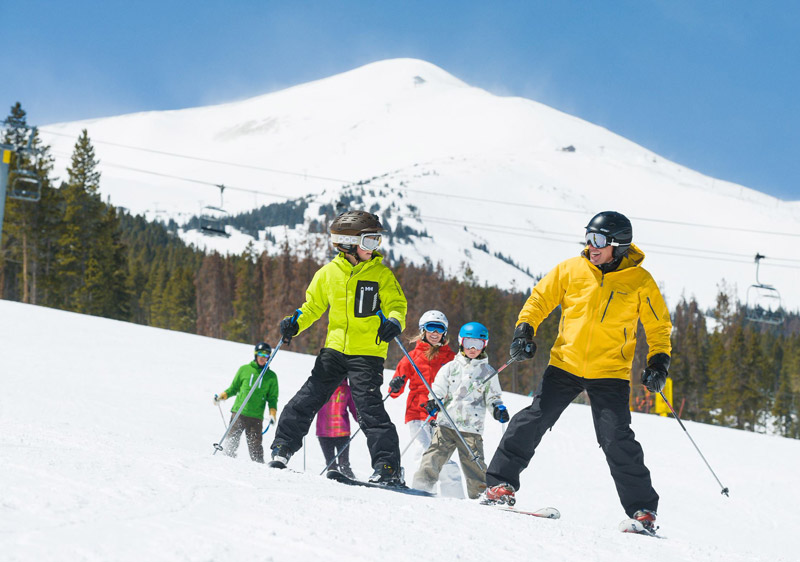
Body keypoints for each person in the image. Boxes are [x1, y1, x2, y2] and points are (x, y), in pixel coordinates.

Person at [482, 211, 672, 535]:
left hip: (610, 372)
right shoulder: (571, 269)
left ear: (618, 245)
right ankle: (499, 485)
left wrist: (658, 363)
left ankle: (643, 511)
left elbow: (658, 327)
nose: (590, 246)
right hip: (565, 364)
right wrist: (524, 331)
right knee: (533, 419)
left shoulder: (640, 281)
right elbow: (540, 299)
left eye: (598, 240)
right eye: (588, 237)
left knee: (616, 437)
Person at [269, 210, 408, 485]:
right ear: (348, 243)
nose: (374, 247)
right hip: (334, 349)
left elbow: (396, 304)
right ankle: (282, 447)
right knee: (309, 396)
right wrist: (295, 323)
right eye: (369, 241)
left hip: (367, 352)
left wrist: (394, 322)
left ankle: (387, 467)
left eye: (377, 240)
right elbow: (312, 307)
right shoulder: (328, 274)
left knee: (368, 408)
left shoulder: (381, 274)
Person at [412, 322, 509, 499]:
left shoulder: (488, 373)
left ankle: (480, 495)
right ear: (461, 342)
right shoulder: (450, 368)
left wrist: (498, 408)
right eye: (469, 343)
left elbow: (493, 397)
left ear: (484, 345)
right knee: (432, 457)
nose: (473, 348)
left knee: (475, 466)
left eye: (478, 344)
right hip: (446, 425)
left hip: (471, 429)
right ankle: (421, 487)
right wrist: (434, 401)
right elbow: (438, 389)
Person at [388, 310, 464, 498]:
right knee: (423, 452)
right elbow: (394, 392)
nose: (435, 333)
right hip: (417, 413)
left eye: (440, 329)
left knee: (443, 458)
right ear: (423, 330)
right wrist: (395, 385)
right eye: (431, 328)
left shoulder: (452, 359)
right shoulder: (411, 357)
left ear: (445, 332)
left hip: (442, 415)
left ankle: (454, 497)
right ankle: (422, 491)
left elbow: (460, 387)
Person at [214, 342, 279, 463]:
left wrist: (272, 413)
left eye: (266, 355)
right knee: (231, 442)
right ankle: (224, 463)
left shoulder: (271, 377)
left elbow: (272, 398)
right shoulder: (244, 370)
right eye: (260, 354)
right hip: (239, 413)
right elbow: (233, 388)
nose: (262, 358)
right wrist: (222, 396)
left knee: (256, 447)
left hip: (256, 417)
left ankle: (259, 467)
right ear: (256, 355)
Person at [316, 379, 359, 479]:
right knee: (331, 463)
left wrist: (362, 420)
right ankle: (334, 479)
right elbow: (311, 403)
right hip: (325, 432)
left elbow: (354, 408)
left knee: (343, 463)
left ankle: (349, 479)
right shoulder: (321, 387)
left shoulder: (347, 390)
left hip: (341, 432)